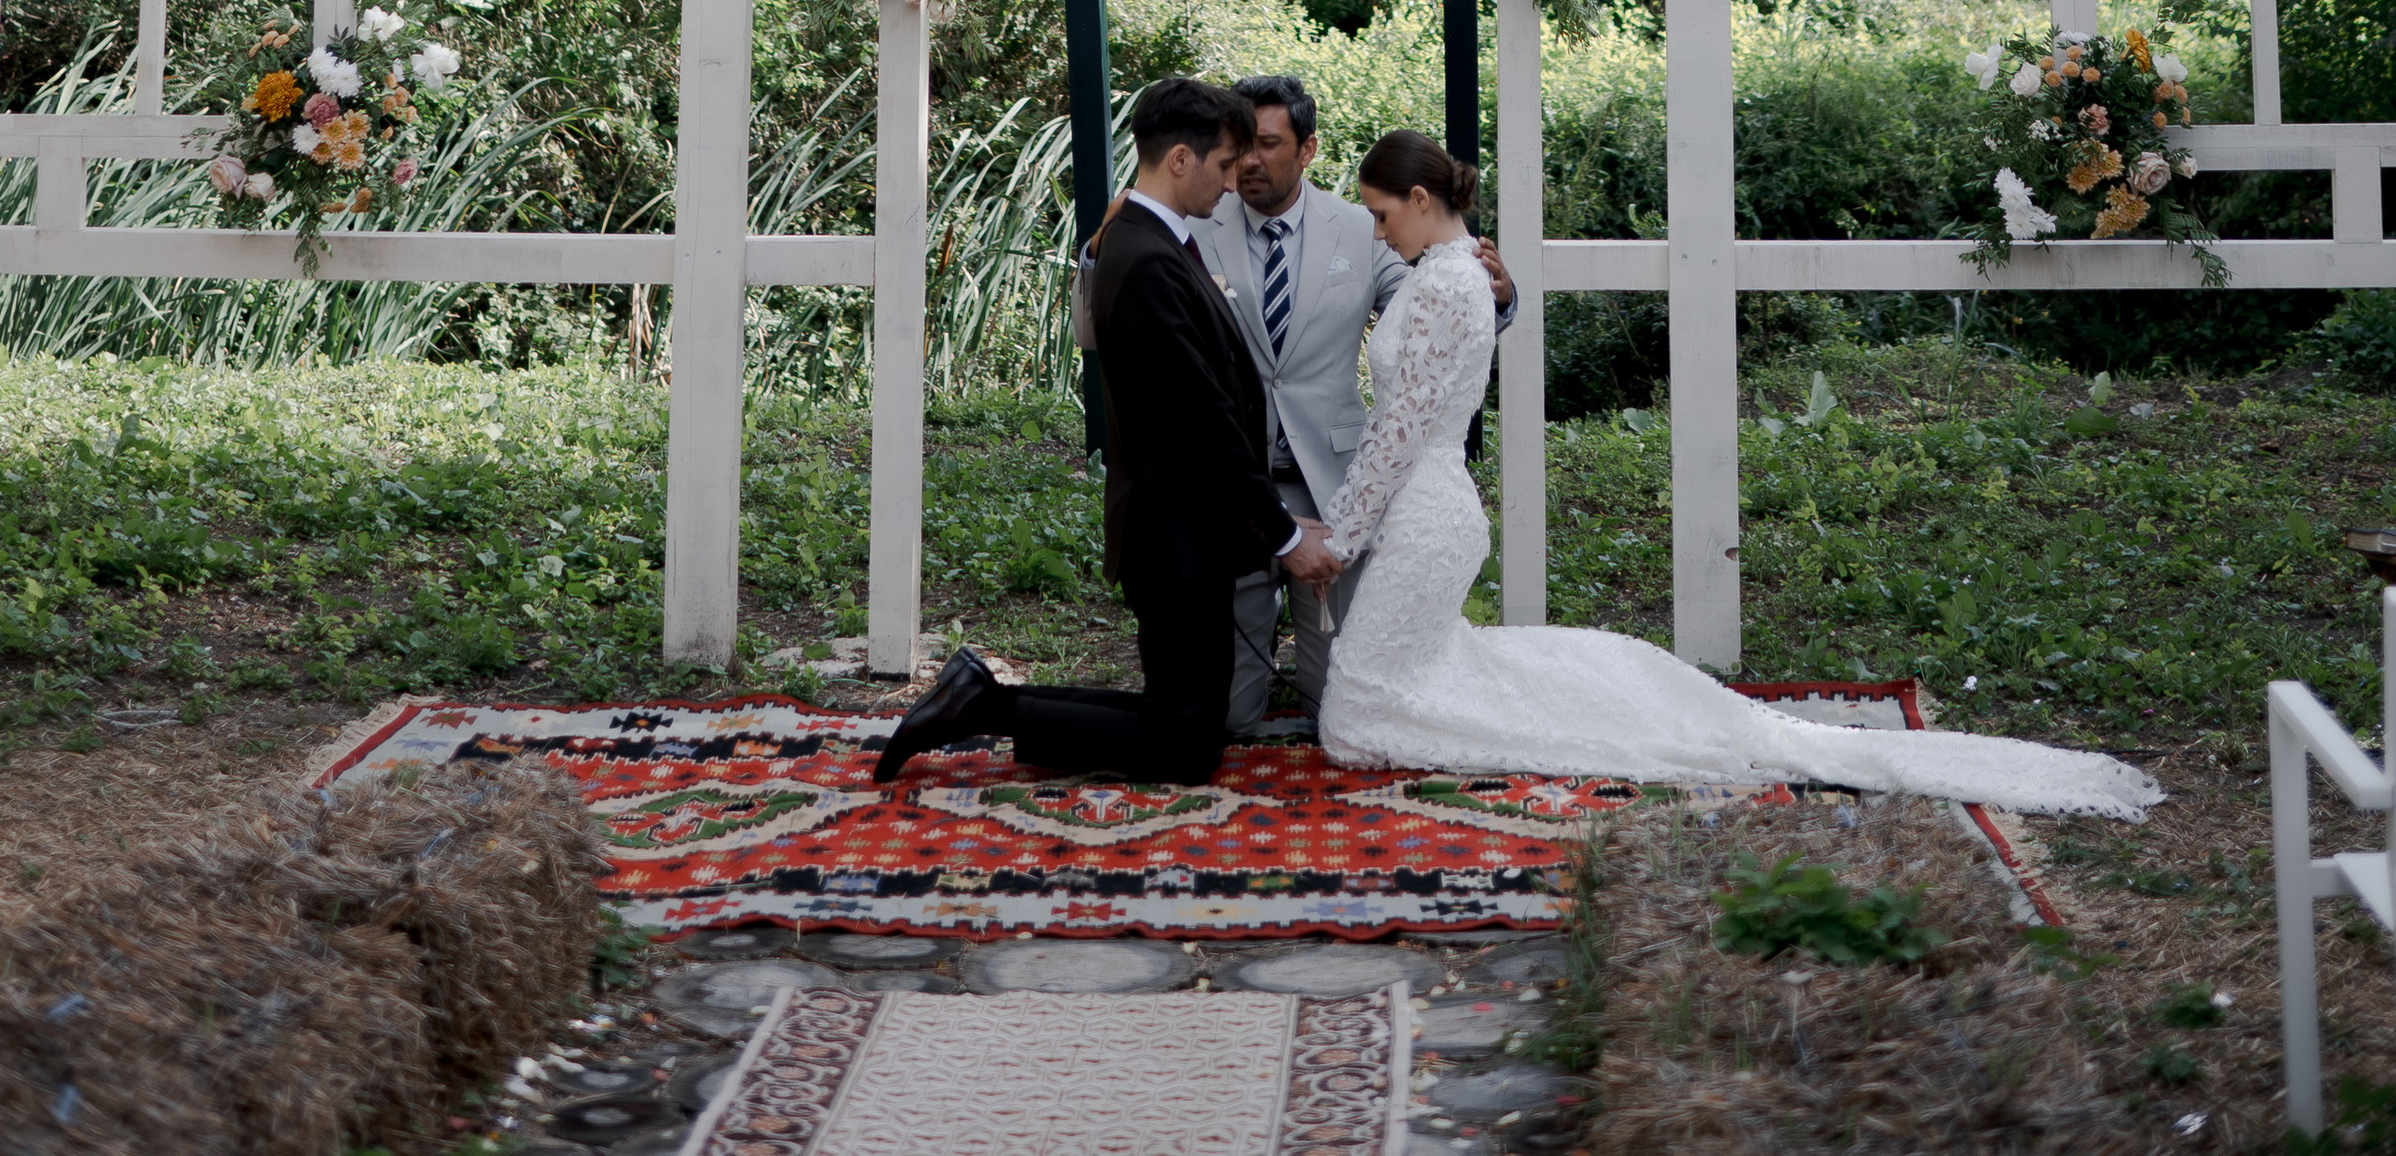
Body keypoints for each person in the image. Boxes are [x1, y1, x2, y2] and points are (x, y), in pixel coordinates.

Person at [1311, 128, 2160, 822]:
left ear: (1422, 200)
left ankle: (1597, 713)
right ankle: (1583, 693)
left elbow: (1396, 431)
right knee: (1403, 689)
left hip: (1426, 512)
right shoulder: (1452, 276)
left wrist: (1338, 537)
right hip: (1434, 507)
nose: (1378, 231)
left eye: (1384, 214)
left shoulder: (1442, 286)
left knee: (1354, 720)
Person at [870, 78, 1338, 791]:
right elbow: (1201, 420)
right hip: (1174, 532)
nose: (1230, 181)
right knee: (1184, 744)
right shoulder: (1146, 257)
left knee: (1184, 722)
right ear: (1180, 159)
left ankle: (981, 696)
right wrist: (1280, 534)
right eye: (1221, 164)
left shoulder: (1151, 240)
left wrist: (1269, 523)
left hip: (1190, 526)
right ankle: (983, 704)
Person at [1201, 72, 1515, 734]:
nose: (1250, 160)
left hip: (1331, 482)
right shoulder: (1197, 227)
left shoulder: (1360, 229)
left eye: (1266, 142)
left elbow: (1437, 307)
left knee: (1334, 704)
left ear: (1307, 147)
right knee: (1223, 714)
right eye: (1238, 145)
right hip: (1232, 490)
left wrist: (1499, 297)